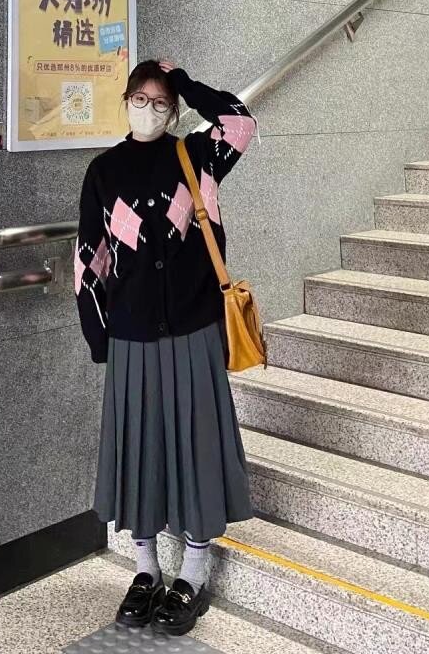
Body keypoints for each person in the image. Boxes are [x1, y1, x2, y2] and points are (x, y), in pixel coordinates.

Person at [73, 59, 258, 636]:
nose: (149, 110)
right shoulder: (103, 171)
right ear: (125, 101)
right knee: (141, 447)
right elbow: (89, 259)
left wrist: (186, 83)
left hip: (195, 328)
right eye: (140, 99)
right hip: (130, 335)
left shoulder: (197, 155)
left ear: (173, 108)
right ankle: (146, 569)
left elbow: (240, 122)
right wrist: (100, 335)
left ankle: (194, 572)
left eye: (160, 102)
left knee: (197, 444)